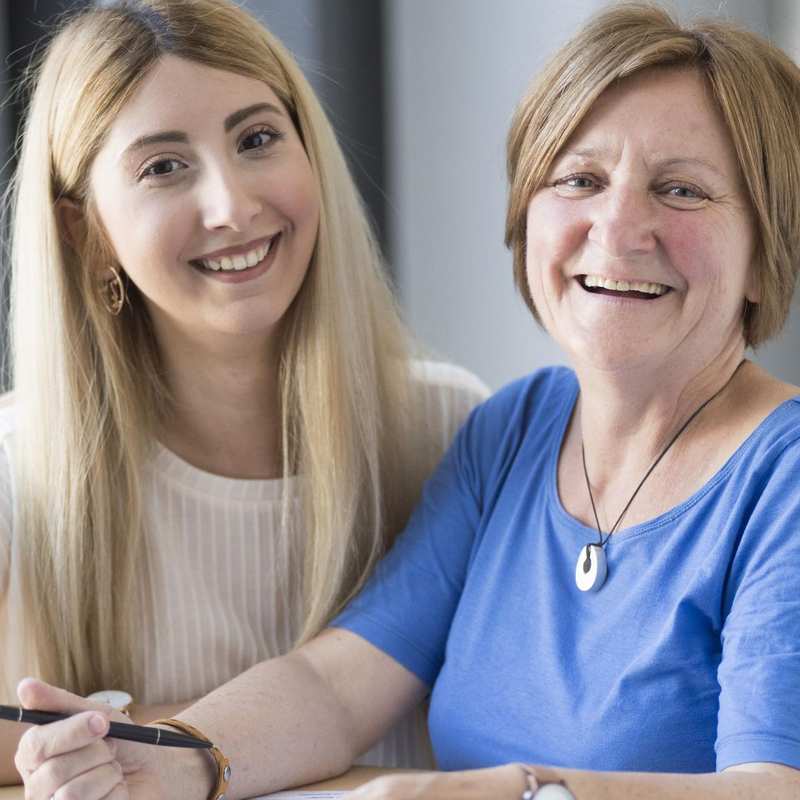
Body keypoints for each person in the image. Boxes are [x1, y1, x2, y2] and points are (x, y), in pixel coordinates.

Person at [15, 2, 800, 798]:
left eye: (682, 190)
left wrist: (516, 792)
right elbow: (334, 688)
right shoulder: (512, 433)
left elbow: (773, 788)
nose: (619, 226)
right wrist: (176, 759)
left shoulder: (784, 479)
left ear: (769, 254)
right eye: (580, 180)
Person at [0, 0, 490, 786]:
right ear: (84, 232)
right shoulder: (15, 479)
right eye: (164, 166)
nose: (232, 205)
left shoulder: (449, 429)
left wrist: (148, 733)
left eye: (257, 139)